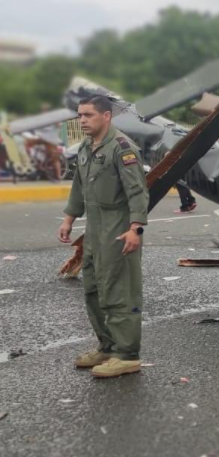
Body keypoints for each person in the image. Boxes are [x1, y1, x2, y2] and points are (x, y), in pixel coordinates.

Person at [59, 95, 148, 379]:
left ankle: (127, 354)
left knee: (119, 290)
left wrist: (136, 229)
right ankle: (107, 346)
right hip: (95, 230)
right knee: (94, 289)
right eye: (80, 115)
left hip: (118, 229)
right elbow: (79, 185)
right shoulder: (87, 147)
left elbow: (137, 192)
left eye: (88, 115)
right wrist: (70, 218)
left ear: (106, 116)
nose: (82, 120)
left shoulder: (122, 149)